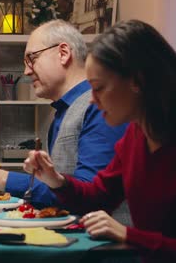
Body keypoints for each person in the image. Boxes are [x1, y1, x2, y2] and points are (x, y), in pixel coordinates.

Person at [24, 20, 176, 262]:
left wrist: (129, 235)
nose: (92, 100)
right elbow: (97, 196)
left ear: (137, 81)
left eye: (99, 87)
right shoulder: (134, 138)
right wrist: (57, 181)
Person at [0, 20, 128, 215]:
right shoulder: (63, 111)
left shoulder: (99, 108)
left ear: (63, 53)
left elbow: (91, 195)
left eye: (32, 58)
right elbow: (63, 188)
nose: (26, 71)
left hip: (103, 243)